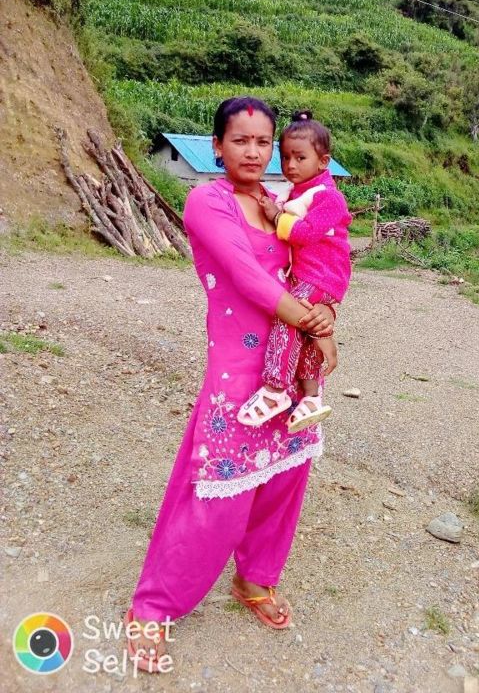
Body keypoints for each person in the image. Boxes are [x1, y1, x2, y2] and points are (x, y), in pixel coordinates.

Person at [124, 97, 338, 672]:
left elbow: (316, 265)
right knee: (216, 496)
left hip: (289, 361)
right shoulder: (208, 201)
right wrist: (315, 326)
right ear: (217, 146)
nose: (253, 151)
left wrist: (326, 320)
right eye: (240, 140)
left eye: (263, 141)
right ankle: (153, 607)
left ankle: (254, 579)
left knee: (284, 480)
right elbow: (247, 277)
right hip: (238, 370)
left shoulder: (278, 204)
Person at [236, 110, 352, 433]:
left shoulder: (329, 197)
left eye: (300, 158)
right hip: (310, 275)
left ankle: (276, 388)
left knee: (288, 317)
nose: (290, 165)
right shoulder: (297, 193)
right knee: (305, 330)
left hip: (321, 276)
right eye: (286, 157)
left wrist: (276, 217)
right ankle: (311, 397)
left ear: (323, 162)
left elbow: (305, 233)